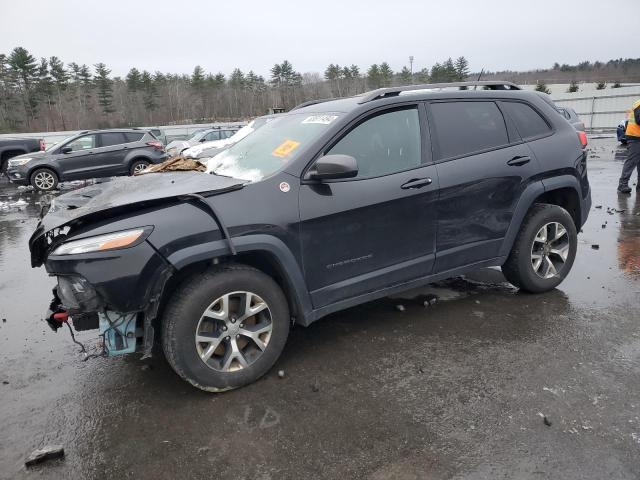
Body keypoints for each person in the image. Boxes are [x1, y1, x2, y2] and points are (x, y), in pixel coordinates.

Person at [618, 99, 640, 193]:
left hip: (636, 135)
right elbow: (639, 119)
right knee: (632, 161)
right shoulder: (639, 104)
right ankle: (622, 184)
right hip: (635, 136)